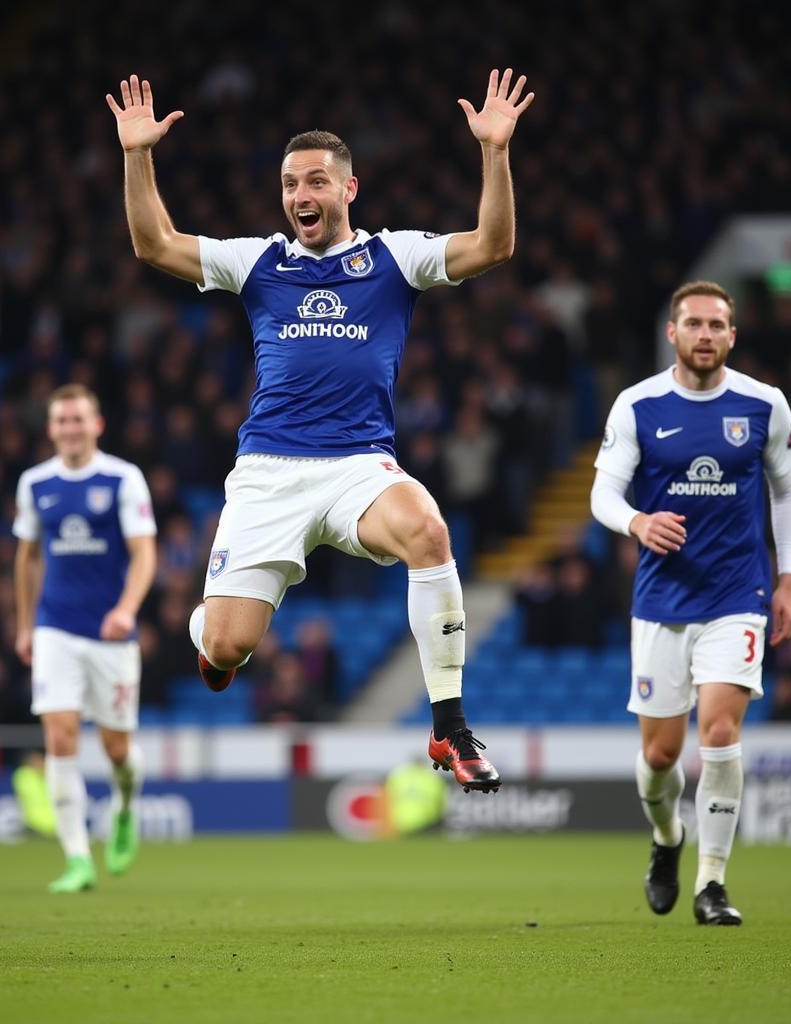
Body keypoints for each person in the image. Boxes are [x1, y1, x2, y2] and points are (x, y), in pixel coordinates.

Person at [105, 69, 534, 791]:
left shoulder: (395, 256)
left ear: (347, 189)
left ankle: (450, 729)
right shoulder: (260, 261)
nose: (301, 196)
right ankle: (210, 640)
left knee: (429, 532)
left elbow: (492, 246)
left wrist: (494, 151)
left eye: (315, 182)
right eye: (289, 185)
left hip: (359, 467)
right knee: (228, 646)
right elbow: (156, 245)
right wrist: (137, 154)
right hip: (270, 472)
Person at [591, 281, 791, 925]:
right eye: (695, 324)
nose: (706, 334)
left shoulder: (764, 405)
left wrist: (788, 579)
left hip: (738, 594)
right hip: (661, 600)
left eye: (717, 325)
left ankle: (713, 884)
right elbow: (603, 494)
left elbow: (787, 493)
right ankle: (666, 840)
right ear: (673, 332)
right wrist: (636, 523)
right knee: (659, 759)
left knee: (718, 732)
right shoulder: (639, 405)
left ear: (732, 336)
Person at [13, 384, 157, 893]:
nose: (70, 429)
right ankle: (77, 859)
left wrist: (126, 609)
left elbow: (144, 553)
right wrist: (26, 624)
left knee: (118, 749)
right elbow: (27, 557)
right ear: (50, 428)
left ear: (97, 424)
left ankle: (123, 806)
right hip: (56, 628)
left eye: (78, 419)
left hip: (111, 633)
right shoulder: (35, 484)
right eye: (61, 421)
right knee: (59, 738)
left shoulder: (122, 478)